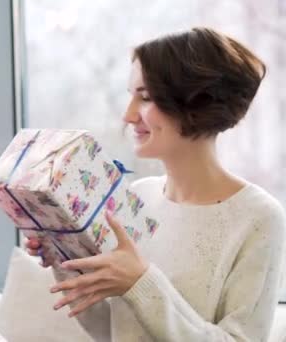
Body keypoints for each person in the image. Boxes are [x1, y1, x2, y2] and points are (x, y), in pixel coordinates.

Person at [27, 27, 286, 341]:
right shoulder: (136, 198)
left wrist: (141, 283)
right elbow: (113, 329)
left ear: (196, 102)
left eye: (146, 98)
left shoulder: (258, 217)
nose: (128, 115)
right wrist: (65, 258)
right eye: (131, 96)